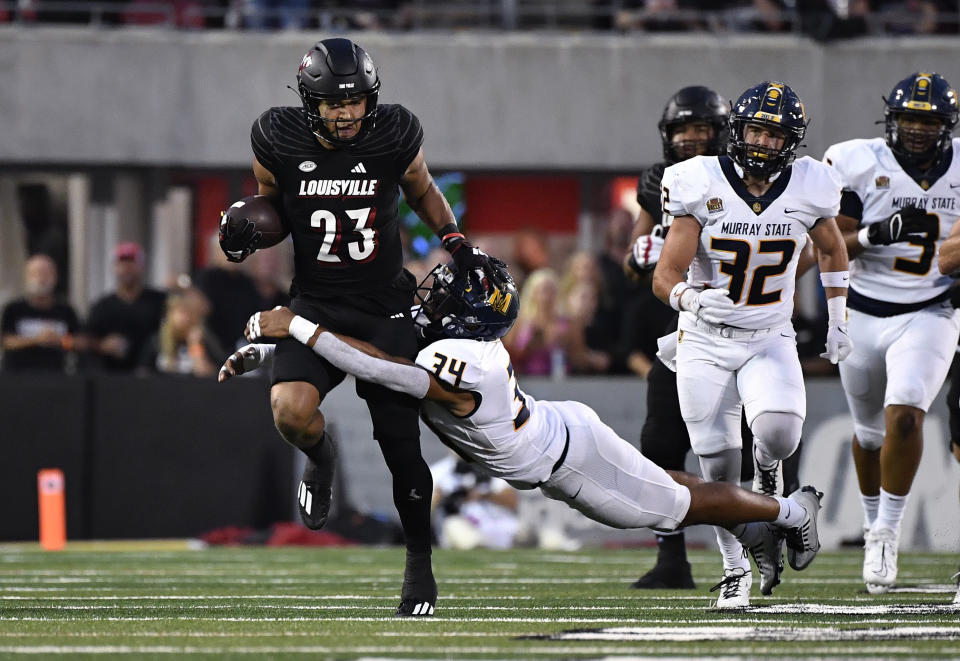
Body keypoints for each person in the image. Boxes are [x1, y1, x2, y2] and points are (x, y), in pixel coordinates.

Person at [222, 259, 825, 606]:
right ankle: (756, 521)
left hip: (569, 459)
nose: (432, 294)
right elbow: (359, 349)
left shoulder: (462, 360)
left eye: (449, 294)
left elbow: (378, 367)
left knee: (674, 504)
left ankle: (789, 510)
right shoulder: (451, 343)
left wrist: (296, 327)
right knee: (670, 491)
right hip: (557, 434)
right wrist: (270, 352)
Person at [219, 37, 494, 617]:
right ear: (308, 102)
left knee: (400, 446)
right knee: (291, 413)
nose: (346, 114)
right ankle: (322, 458)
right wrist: (246, 229)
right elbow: (272, 209)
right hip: (315, 302)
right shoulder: (277, 137)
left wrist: (455, 241)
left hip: (385, 305)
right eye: (332, 104)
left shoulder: (393, 131)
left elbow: (420, 185)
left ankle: (418, 563)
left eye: (356, 102)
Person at [652, 81, 851, 607]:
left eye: (774, 133)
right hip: (704, 339)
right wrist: (688, 300)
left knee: (781, 434)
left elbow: (831, 251)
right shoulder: (699, 181)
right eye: (756, 130)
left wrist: (838, 319)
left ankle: (769, 482)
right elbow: (665, 273)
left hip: (769, 335)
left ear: (793, 141)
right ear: (737, 131)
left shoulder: (811, 184)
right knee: (716, 469)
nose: (762, 142)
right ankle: (734, 566)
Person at [824, 71, 960, 595]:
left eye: (928, 122)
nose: (918, 131)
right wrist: (878, 233)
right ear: (892, 120)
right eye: (909, 119)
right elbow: (832, 243)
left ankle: (887, 531)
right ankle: (870, 516)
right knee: (868, 434)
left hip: (931, 308)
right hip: (861, 308)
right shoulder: (858, 160)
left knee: (906, 415)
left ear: (945, 126)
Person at [621, 85, 733, 590]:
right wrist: (642, 255)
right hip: (684, 324)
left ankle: (767, 537)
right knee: (659, 439)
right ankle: (672, 557)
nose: (691, 138)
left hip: (743, 322)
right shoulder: (657, 183)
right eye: (683, 129)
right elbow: (633, 262)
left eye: (702, 128)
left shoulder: (745, 179)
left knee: (753, 444)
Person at [85, 242, 167, 372]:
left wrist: (182, 286)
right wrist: (102, 345)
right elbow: (85, 339)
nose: (127, 268)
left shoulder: (159, 300)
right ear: (114, 267)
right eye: (122, 263)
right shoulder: (102, 306)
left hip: (153, 376)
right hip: (112, 376)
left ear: (141, 266)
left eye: (132, 262)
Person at [1, 254, 79, 373]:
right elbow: (6, 341)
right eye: (36, 273)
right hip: (18, 379)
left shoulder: (66, 310)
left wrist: (61, 341)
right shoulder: (14, 309)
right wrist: (36, 339)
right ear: (26, 277)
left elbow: (79, 342)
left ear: (56, 277)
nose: (41, 279)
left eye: (46, 273)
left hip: (57, 377)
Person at [430, 452, 520, 551]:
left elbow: (513, 501)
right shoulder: (439, 472)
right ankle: (479, 545)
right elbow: (422, 512)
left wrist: (483, 495)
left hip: (499, 528)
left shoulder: (493, 466)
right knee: (453, 524)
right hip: (462, 528)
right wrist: (442, 498)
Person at [139, 288, 223, 377]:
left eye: (190, 312)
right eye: (181, 311)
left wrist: (195, 345)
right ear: (170, 314)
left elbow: (206, 374)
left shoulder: (204, 340)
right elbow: (142, 374)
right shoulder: (156, 341)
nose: (185, 318)